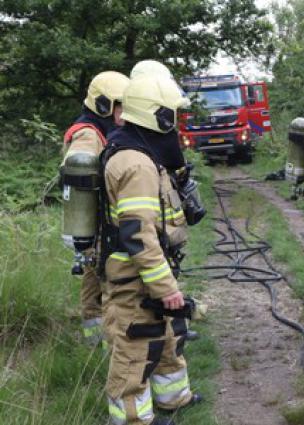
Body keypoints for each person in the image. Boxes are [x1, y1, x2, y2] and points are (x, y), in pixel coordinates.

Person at [100, 74, 200, 425]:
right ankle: (132, 419)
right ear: (159, 117)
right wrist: (167, 288)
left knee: (166, 338)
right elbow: (138, 234)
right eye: (174, 115)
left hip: (149, 273)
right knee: (134, 350)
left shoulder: (140, 152)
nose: (178, 123)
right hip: (136, 279)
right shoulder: (136, 164)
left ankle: (174, 398)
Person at [62, 71, 130, 347]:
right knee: (107, 283)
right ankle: (113, 345)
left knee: (92, 279)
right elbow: (78, 169)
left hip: (92, 224)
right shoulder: (88, 136)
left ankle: (95, 342)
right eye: (120, 106)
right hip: (96, 223)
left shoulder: (96, 129)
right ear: (103, 105)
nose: (124, 113)